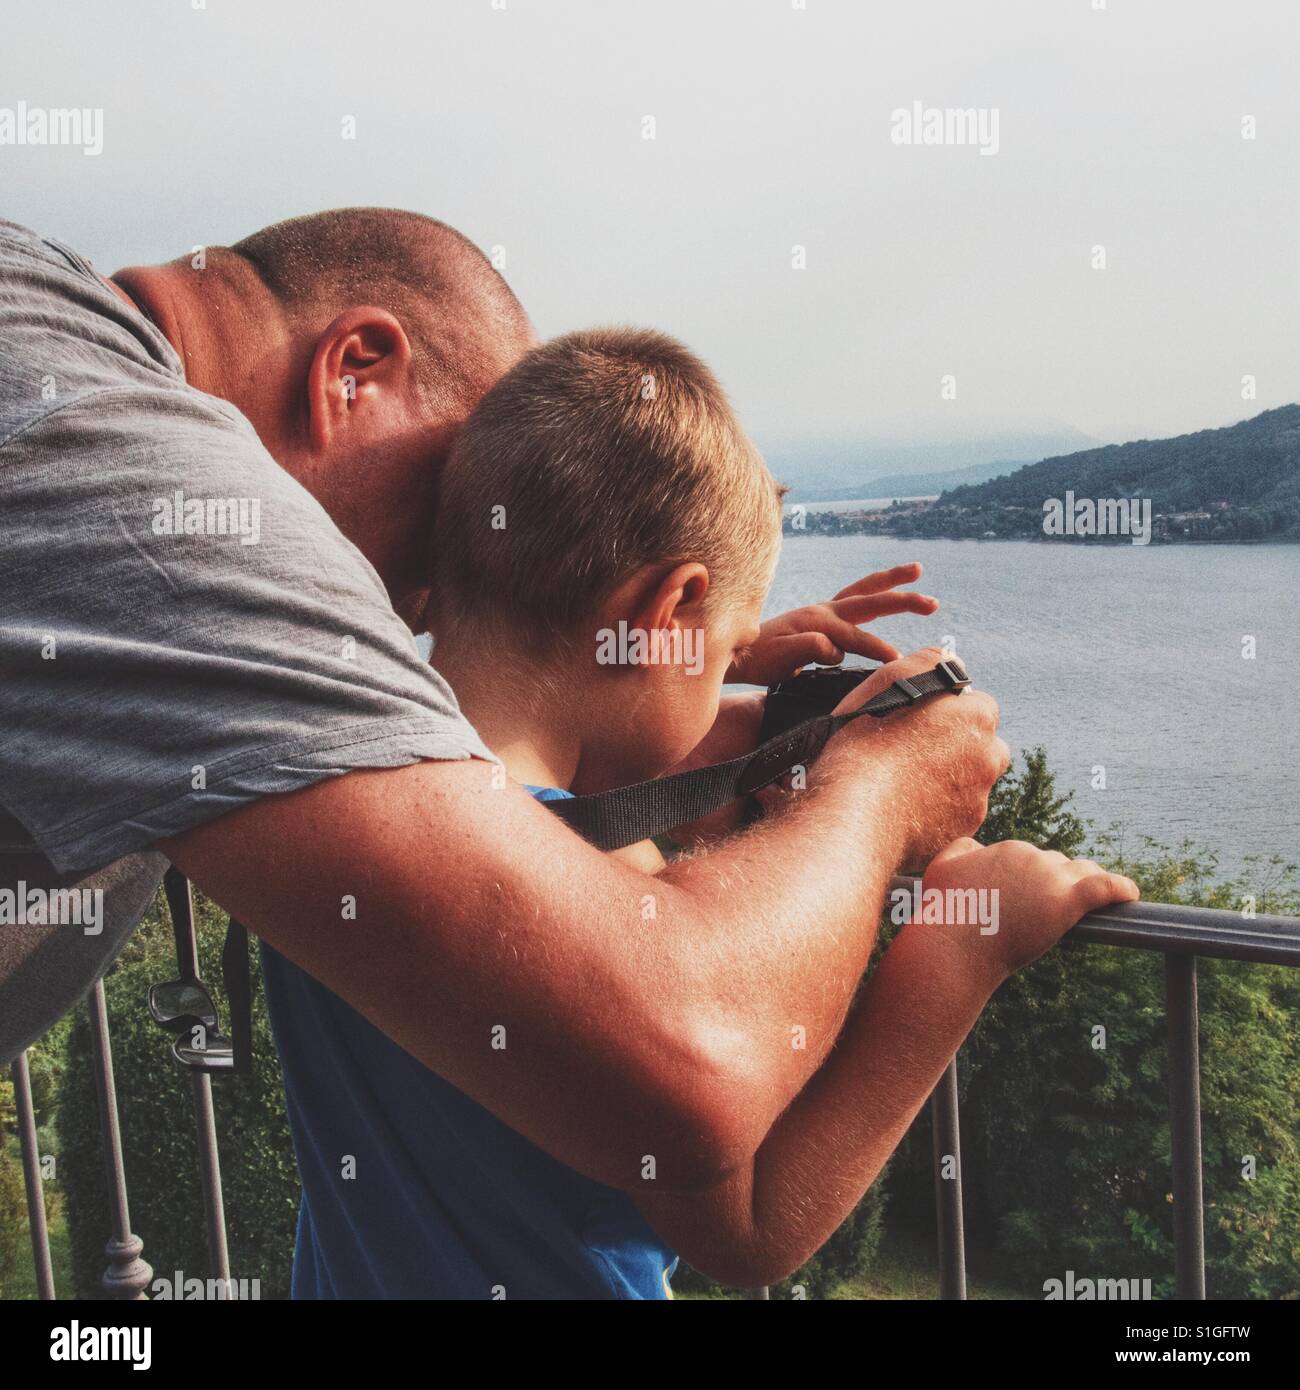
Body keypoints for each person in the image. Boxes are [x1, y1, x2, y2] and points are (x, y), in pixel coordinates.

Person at [2, 208, 1007, 1206]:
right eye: (459, 505)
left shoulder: (61, 366)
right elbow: (696, 1065)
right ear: (352, 368)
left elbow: (424, 752)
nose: (445, 582)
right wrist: (878, 785)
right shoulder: (139, 486)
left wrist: (668, 670)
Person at [259, 326, 1140, 1297]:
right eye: (721, 652)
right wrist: (959, 946)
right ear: (663, 612)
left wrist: (700, 675)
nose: (730, 678)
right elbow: (753, 1228)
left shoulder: (347, 805)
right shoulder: (599, 885)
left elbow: (553, 765)